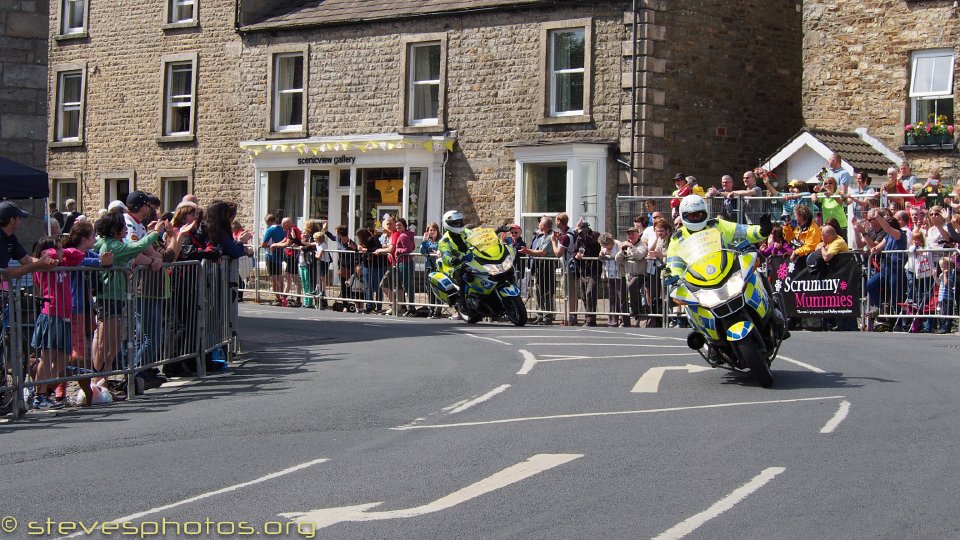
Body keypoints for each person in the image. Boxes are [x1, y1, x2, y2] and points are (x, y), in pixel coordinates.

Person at [664, 195, 774, 333]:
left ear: (705, 213)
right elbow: (674, 264)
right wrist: (675, 279)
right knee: (690, 304)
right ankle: (706, 336)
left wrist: (761, 230)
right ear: (684, 216)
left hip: (728, 271)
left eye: (699, 214)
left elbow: (742, 231)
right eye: (691, 216)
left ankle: (773, 308)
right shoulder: (677, 239)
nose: (696, 218)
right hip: (700, 282)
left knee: (755, 272)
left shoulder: (716, 224)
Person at [0, 201, 57, 280]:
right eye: (19, 218)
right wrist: (38, 264)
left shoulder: (10, 237)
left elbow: (26, 259)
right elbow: (5, 274)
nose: (21, 221)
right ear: (12, 220)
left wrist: (47, 262)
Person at [518, 215, 556, 325]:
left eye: (540, 222)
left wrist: (527, 251)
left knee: (546, 292)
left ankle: (547, 316)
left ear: (544, 225)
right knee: (538, 291)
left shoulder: (550, 236)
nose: (538, 224)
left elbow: (543, 252)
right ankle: (540, 314)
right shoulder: (541, 236)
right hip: (539, 266)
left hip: (547, 266)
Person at [437, 210, 473, 318]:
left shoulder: (466, 232)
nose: (459, 225)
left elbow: (479, 239)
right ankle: (463, 304)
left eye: (460, 222)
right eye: (456, 223)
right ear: (448, 224)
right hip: (455, 266)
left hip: (472, 261)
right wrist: (453, 260)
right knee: (463, 276)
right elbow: (446, 256)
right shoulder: (444, 241)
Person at [571, 219, 601, 326]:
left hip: (593, 270)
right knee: (584, 295)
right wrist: (576, 255)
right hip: (583, 270)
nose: (582, 231)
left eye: (584, 229)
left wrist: (580, 232)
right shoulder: (579, 239)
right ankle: (587, 316)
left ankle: (591, 319)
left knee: (590, 294)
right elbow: (574, 251)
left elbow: (589, 241)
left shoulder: (595, 235)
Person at [617, 226, 647, 323]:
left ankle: (636, 310)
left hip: (640, 274)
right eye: (629, 234)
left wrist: (631, 246)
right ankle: (626, 319)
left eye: (633, 233)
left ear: (638, 234)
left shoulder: (642, 246)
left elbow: (639, 256)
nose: (630, 236)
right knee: (624, 292)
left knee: (632, 285)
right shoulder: (626, 247)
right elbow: (617, 259)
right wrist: (622, 251)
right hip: (628, 275)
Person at [599, 232, 628, 327]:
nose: (607, 247)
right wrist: (602, 254)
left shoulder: (618, 244)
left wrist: (612, 255)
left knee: (621, 298)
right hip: (609, 274)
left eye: (608, 245)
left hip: (620, 274)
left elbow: (624, 256)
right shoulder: (603, 247)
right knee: (612, 298)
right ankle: (613, 320)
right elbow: (600, 257)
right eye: (605, 246)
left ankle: (624, 320)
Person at [260, 215, 287, 306]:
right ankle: (282, 296)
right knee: (280, 276)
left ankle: (277, 298)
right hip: (280, 255)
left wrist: (265, 244)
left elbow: (263, 244)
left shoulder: (270, 230)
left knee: (273, 278)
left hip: (271, 255)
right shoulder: (282, 229)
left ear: (268, 221)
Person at [419, 222, 443, 318]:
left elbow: (438, 249)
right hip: (429, 267)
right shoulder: (427, 241)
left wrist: (432, 250)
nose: (432, 232)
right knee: (429, 289)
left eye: (434, 230)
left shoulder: (440, 241)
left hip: (438, 268)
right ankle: (431, 309)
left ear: (437, 231)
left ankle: (438, 310)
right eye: (430, 230)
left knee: (438, 289)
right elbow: (422, 250)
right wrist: (424, 240)